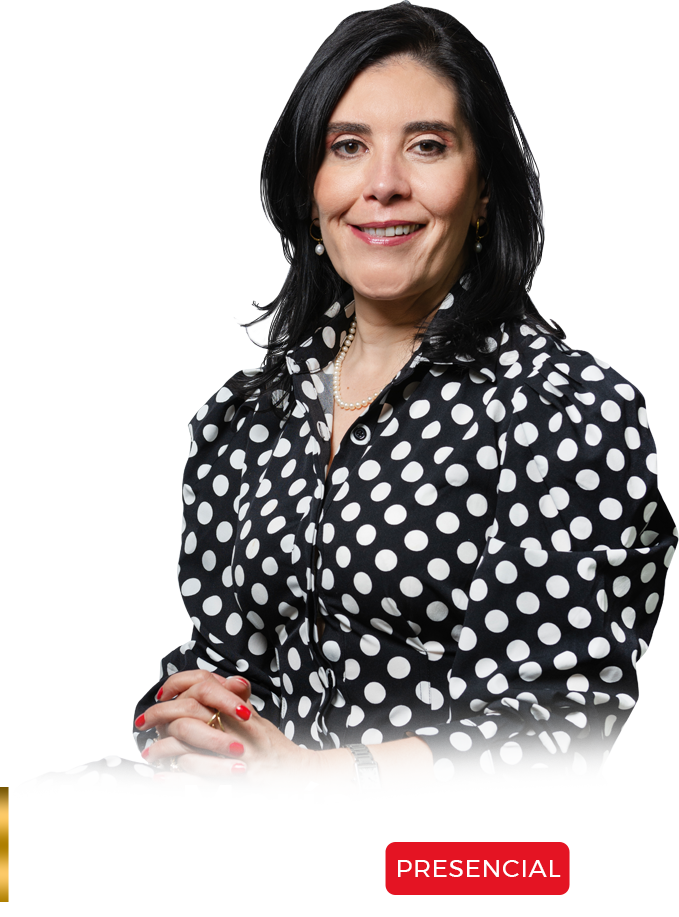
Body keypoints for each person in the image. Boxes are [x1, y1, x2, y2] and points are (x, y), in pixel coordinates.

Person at [17, 4, 677, 799]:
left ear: (482, 191)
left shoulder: (565, 411)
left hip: (439, 844)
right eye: (348, 146)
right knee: (22, 826)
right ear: (311, 188)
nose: (383, 183)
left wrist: (318, 774)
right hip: (249, 817)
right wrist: (196, 717)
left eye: (426, 145)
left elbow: (547, 735)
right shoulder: (246, 415)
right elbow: (226, 683)